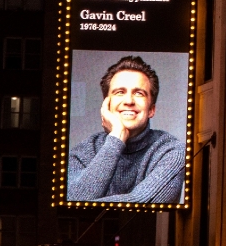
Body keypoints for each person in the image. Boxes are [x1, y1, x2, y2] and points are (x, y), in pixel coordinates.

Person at [68, 55, 184, 203]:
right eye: (120, 92)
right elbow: (74, 202)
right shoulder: (83, 152)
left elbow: (141, 203)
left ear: (151, 110)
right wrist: (116, 138)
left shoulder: (172, 151)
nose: (129, 101)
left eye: (139, 93)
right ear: (106, 105)